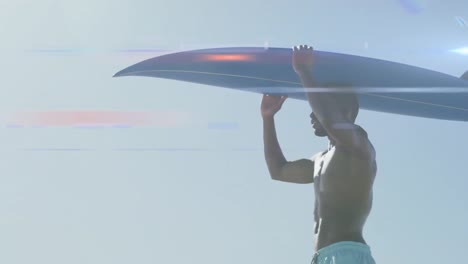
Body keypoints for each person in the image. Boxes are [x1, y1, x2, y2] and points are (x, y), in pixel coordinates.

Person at [261, 44, 377, 264]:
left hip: (348, 255)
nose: (311, 114)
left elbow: (331, 120)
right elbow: (277, 170)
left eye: (320, 104)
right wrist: (268, 118)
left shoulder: (359, 147)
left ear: (347, 111)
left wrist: (304, 72)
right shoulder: (319, 160)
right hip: (321, 257)